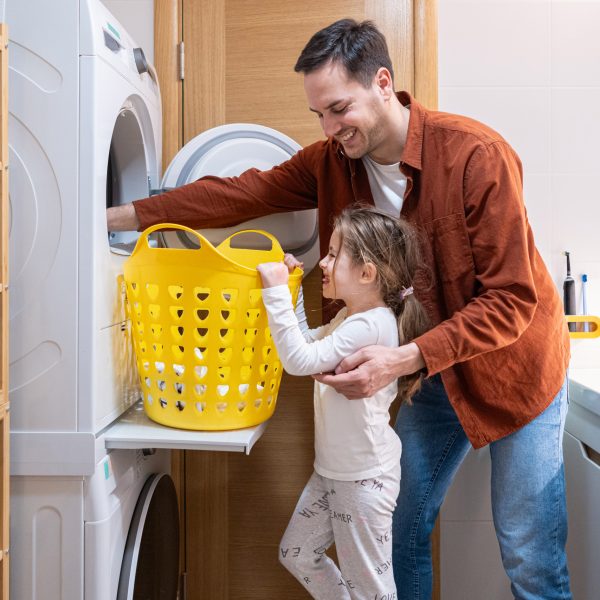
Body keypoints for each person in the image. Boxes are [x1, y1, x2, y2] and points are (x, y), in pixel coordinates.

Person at [107, 18, 572, 600]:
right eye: (318, 115)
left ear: (382, 83)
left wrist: (402, 359)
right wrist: (119, 218)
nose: (329, 128)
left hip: (515, 371)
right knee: (398, 533)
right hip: (427, 373)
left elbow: (512, 299)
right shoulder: (330, 162)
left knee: (528, 551)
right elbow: (240, 192)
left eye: (339, 109)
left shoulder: (476, 156)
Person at [257, 205, 429, 599]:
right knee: (297, 553)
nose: (324, 262)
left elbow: (298, 361)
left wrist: (272, 291)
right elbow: (305, 343)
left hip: (362, 479)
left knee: (371, 588)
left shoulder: (371, 324)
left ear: (367, 273)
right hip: (335, 472)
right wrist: (291, 288)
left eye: (334, 254)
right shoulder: (351, 319)